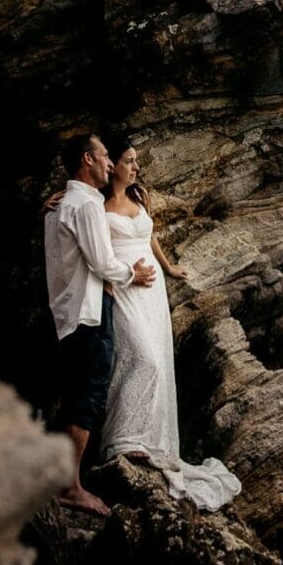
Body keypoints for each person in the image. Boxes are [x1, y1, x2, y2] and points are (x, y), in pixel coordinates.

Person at [94, 137, 241, 511]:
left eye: (136, 160)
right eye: (129, 160)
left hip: (153, 291)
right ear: (112, 165)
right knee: (141, 357)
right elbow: (93, 247)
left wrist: (168, 266)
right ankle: (123, 438)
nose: (136, 167)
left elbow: (149, 235)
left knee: (158, 358)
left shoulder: (139, 196)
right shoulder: (96, 204)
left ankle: (148, 438)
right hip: (124, 288)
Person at [43, 132, 157, 516]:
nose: (110, 162)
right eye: (105, 155)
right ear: (87, 159)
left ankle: (63, 478)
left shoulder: (61, 206)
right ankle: (69, 487)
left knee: (76, 390)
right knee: (89, 393)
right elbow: (102, 262)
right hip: (88, 311)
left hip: (67, 312)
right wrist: (132, 274)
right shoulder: (86, 204)